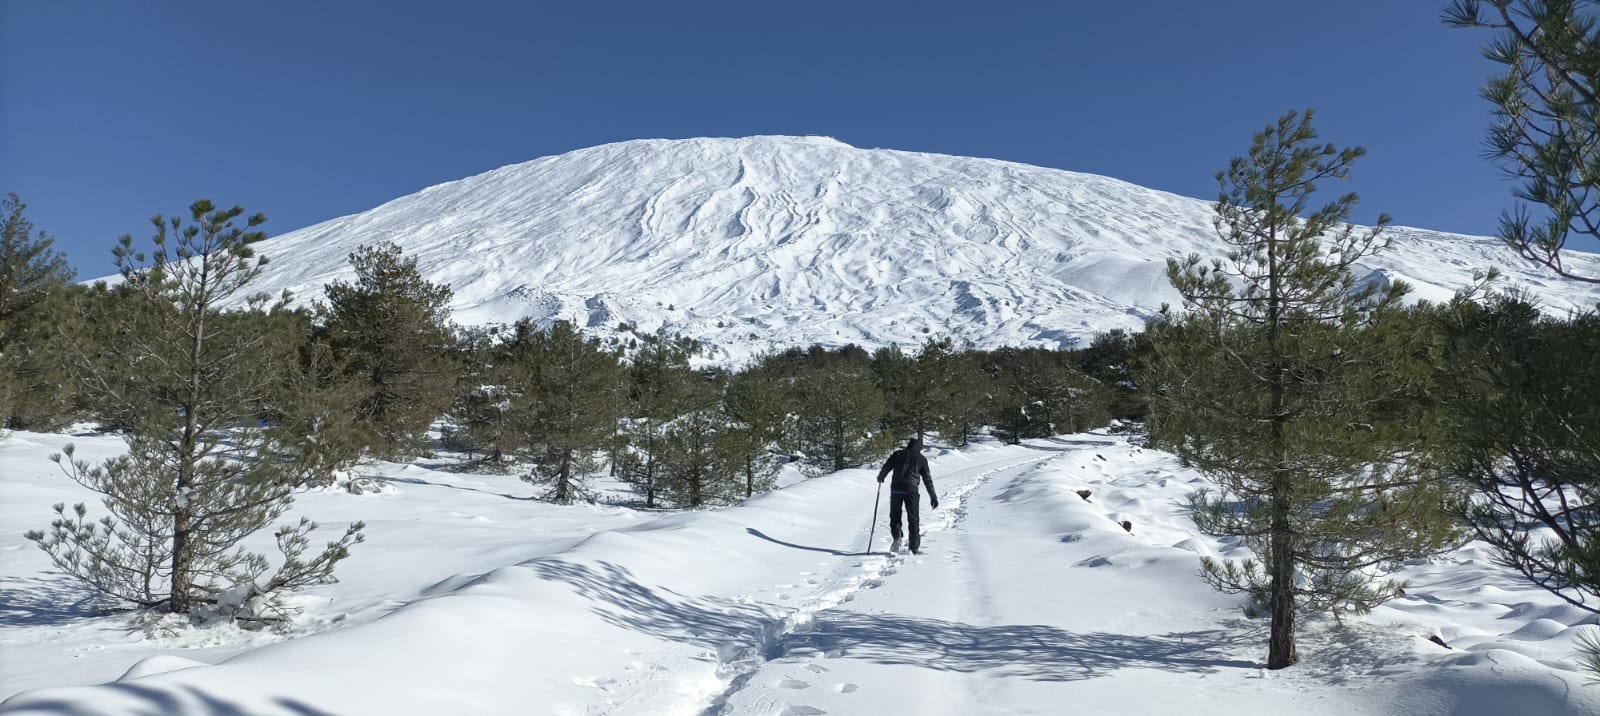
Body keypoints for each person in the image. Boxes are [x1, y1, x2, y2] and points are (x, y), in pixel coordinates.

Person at [875, 437, 938, 554]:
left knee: (895, 515)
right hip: (911, 490)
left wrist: (881, 477)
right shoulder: (921, 459)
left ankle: (897, 536)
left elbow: (887, 466)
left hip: (896, 489)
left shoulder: (898, 454)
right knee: (913, 517)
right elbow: (927, 479)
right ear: (919, 448)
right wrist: (933, 496)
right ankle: (914, 547)